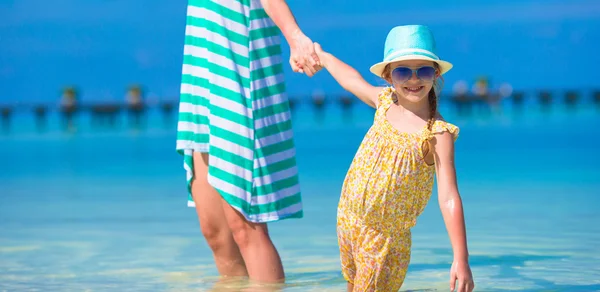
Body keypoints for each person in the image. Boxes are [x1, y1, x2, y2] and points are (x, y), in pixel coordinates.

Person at [314, 25, 475, 291]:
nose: (413, 79)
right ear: (389, 76)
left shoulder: (436, 133)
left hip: (385, 239)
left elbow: (448, 197)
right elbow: (353, 81)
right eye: (403, 71)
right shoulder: (385, 101)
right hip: (348, 220)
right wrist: (323, 56)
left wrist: (461, 258)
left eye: (422, 70)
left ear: (435, 74)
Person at [175, 0, 321, 283]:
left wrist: (295, 37)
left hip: (240, 81)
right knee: (215, 232)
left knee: (245, 226)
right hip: (203, 84)